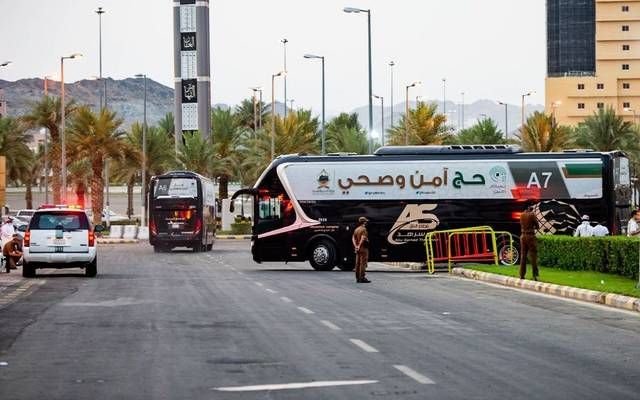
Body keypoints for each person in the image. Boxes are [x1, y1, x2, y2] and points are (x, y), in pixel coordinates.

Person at [519, 206, 539, 280]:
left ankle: (522, 274)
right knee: (533, 256)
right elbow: (537, 226)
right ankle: (535, 275)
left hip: (523, 236)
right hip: (530, 236)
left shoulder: (521, 215)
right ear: (529, 208)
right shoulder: (532, 214)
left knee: (523, 256)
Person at [352, 216, 370, 283]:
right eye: (366, 221)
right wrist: (359, 246)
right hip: (363, 248)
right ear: (364, 222)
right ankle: (362, 278)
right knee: (363, 263)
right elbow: (363, 238)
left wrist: (356, 246)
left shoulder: (356, 229)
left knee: (357, 263)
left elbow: (353, 238)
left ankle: (357, 278)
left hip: (357, 249)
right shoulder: (363, 229)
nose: (366, 222)